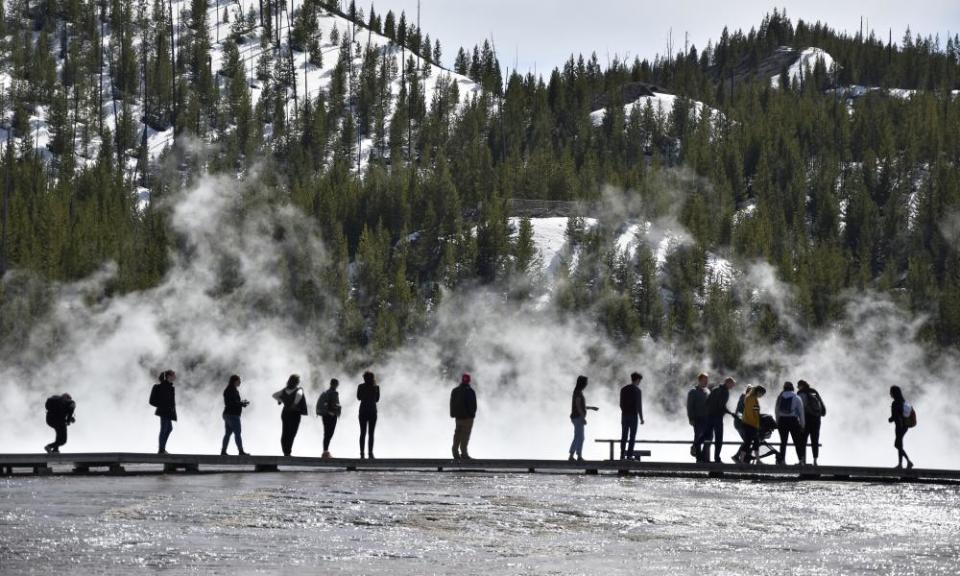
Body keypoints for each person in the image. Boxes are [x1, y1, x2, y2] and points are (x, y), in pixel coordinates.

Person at [272, 374, 308, 457]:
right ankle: (288, 452)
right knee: (292, 433)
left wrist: (282, 400)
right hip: (294, 413)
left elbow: (274, 395)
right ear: (297, 382)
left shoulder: (285, 390)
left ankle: (286, 451)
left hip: (285, 413)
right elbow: (299, 395)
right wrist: (294, 404)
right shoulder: (299, 389)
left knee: (285, 432)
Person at [705, 377, 736, 463]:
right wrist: (731, 413)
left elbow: (707, 402)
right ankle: (717, 458)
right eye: (732, 384)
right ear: (728, 383)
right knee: (719, 439)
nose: (733, 386)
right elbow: (721, 406)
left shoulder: (715, 389)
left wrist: (708, 413)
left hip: (709, 417)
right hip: (717, 418)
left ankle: (705, 457)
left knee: (708, 438)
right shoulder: (725, 392)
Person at [774, 382, 806, 465]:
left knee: (783, 442)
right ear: (792, 388)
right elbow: (801, 412)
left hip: (782, 421)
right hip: (793, 421)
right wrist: (802, 425)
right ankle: (801, 461)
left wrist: (777, 422)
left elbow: (776, 411)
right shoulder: (796, 397)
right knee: (797, 442)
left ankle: (782, 461)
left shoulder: (780, 397)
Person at [569, 375, 599, 461]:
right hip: (577, 417)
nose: (587, 384)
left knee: (578, 436)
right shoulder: (578, 392)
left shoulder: (578, 392)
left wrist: (591, 408)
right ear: (582, 383)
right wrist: (582, 418)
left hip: (576, 417)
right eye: (586, 382)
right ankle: (577, 455)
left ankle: (574, 455)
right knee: (580, 437)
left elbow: (581, 406)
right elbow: (578, 406)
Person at [796, 380, 826, 465]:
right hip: (817, 419)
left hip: (806, 419)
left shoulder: (800, 393)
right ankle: (815, 461)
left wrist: (799, 420)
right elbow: (821, 405)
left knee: (803, 440)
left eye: (798, 386)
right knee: (815, 440)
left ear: (801, 386)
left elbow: (800, 408)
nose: (797, 388)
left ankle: (802, 461)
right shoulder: (814, 391)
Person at [450, 373, 478, 460]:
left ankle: (455, 452)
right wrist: (472, 414)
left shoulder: (455, 390)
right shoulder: (470, 391)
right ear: (469, 380)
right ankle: (464, 454)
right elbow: (473, 405)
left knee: (457, 435)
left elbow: (451, 403)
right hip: (468, 418)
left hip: (458, 417)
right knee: (465, 436)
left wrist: (452, 414)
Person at [149, 370, 177, 454]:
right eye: (173, 375)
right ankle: (161, 449)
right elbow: (152, 401)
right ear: (168, 376)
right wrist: (162, 406)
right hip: (164, 411)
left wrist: (172, 412)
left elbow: (171, 402)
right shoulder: (160, 386)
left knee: (169, 429)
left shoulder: (170, 387)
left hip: (169, 412)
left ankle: (162, 448)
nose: (175, 376)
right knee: (164, 429)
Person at [221, 375, 250, 456]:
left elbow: (232, 402)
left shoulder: (230, 390)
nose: (240, 382)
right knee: (237, 433)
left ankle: (223, 451)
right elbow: (232, 403)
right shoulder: (231, 390)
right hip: (232, 415)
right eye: (239, 380)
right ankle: (241, 451)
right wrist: (241, 403)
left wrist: (241, 403)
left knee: (228, 434)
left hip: (228, 414)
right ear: (235, 381)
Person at [737, 385, 766, 463]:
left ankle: (756, 460)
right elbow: (750, 413)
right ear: (758, 392)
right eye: (762, 394)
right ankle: (741, 459)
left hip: (752, 424)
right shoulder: (751, 399)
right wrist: (755, 424)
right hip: (749, 424)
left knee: (755, 442)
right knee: (748, 442)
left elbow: (755, 412)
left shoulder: (754, 399)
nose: (762, 396)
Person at [619, 372, 645, 460]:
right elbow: (639, 406)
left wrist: (624, 411)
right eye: (639, 380)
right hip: (633, 416)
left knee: (624, 436)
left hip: (624, 415)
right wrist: (641, 418)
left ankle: (622, 455)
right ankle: (629, 455)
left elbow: (621, 404)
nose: (639, 382)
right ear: (637, 380)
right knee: (632, 437)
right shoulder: (638, 391)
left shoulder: (623, 389)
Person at [889, 385, 915, 469]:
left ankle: (907, 462)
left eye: (891, 392)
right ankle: (901, 464)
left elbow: (894, 416)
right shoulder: (903, 402)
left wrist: (890, 419)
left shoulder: (895, 403)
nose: (890, 394)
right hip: (905, 426)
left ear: (894, 393)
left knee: (897, 445)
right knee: (899, 445)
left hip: (899, 427)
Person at [687, 373, 711, 462]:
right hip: (698, 418)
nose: (706, 382)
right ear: (700, 380)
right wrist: (691, 418)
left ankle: (704, 456)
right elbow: (690, 406)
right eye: (705, 380)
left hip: (707, 419)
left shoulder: (707, 391)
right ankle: (699, 457)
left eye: (707, 380)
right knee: (698, 437)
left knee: (708, 438)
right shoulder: (693, 391)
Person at [316, 379, 342, 459]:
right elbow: (323, 404)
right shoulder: (328, 393)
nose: (335, 385)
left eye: (336, 384)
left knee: (329, 434)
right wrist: (329, 412)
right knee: (328, 433)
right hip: (328, 416)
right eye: (334, 384)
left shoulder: (332, 393)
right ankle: (325, 452)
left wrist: (337, 410)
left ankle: (325, 451)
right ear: (332, 384)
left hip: (331, 415)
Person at [357, 371, 380, 459]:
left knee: (363, 432)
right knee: (371, 433)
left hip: (363, 411)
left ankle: (362, 453)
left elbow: (358, 397)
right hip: (372, 411)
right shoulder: (376, 387)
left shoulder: (361, 386)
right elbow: (377, 399)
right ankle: (370, 453)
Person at [732, 385, 753, 463]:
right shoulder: (744, 399)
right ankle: (737, 456)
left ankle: (743, 457)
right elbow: (739, 413)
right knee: (747, 440)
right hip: (740, 424)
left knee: (747, 440)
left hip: (740, 423)